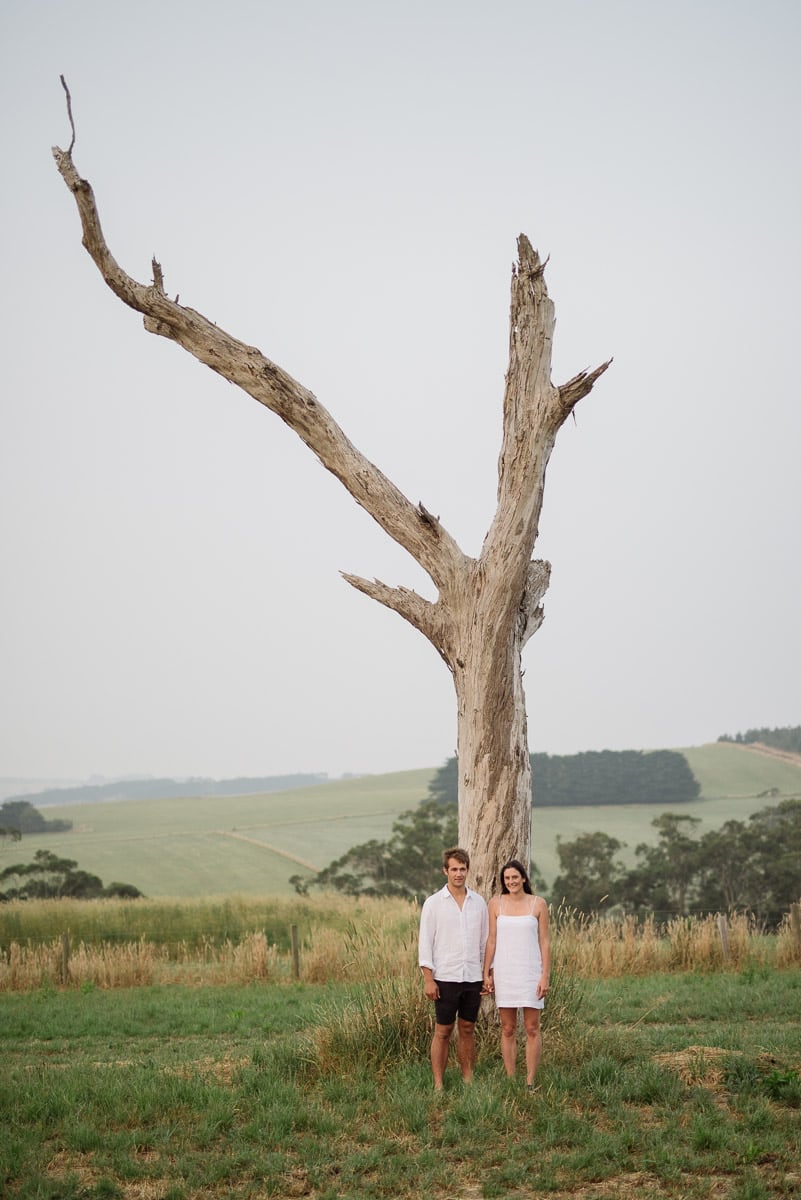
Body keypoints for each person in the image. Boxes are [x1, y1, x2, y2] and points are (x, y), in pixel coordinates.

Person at [418, 847, 489, 1090]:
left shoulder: (479, 903)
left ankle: (468, 1079)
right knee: (443, 1030)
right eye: (454, 869)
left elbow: (484, 943)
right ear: (445, 871)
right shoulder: (433, 903)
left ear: (467, 870)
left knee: (468, 1028)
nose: (458, 874)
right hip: (445, 977)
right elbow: (425, 943)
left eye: (462, 869)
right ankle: (438, 1084)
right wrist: (429, 979)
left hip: (472, 977)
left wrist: (486, 975)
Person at [483, 859, 550, 1087]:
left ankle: (530, 1081)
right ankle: (511, 1079)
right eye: (507, 878)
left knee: (532, 1027)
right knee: (508, 1027)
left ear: (523, 878)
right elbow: (491, 940)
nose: (511, 881)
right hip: (505, 972)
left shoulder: (538, 904)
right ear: (503, 881)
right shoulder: (495, 903)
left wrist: (545, 976)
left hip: (531, 972)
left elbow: (545, 942)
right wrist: (486, 973)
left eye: (515, 877)